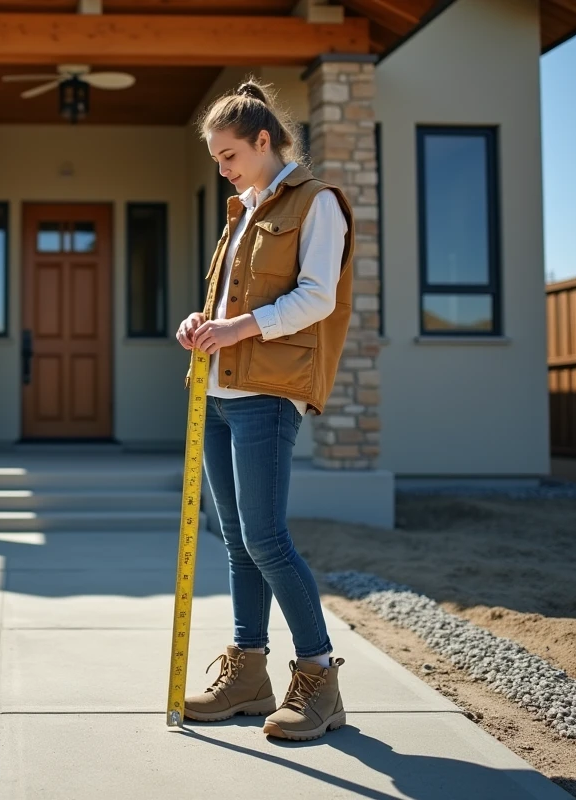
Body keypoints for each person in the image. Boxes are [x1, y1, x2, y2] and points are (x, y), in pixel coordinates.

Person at [175, 78, 354, 741]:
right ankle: (249, 674)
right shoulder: (242, 213)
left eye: (229, 155)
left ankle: (318, 679)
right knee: (237, 544)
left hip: (267, 399)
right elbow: (229, 310)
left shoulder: (317, 204)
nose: (222, 169)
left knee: (267, 538)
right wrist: (202, 324)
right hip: (217, 396)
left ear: (263, 140)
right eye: (216, 159)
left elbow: (316, 298)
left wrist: (237, 328)